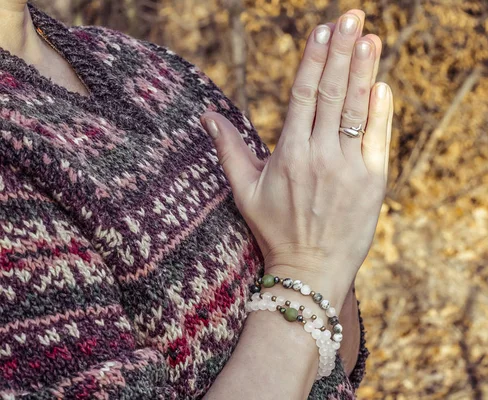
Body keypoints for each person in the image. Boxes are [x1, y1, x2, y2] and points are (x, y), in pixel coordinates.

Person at [0, 1, 393, 399]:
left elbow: (332, 369)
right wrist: (310, 267)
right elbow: (311, 283)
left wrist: (325, 222)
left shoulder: (136, 61)